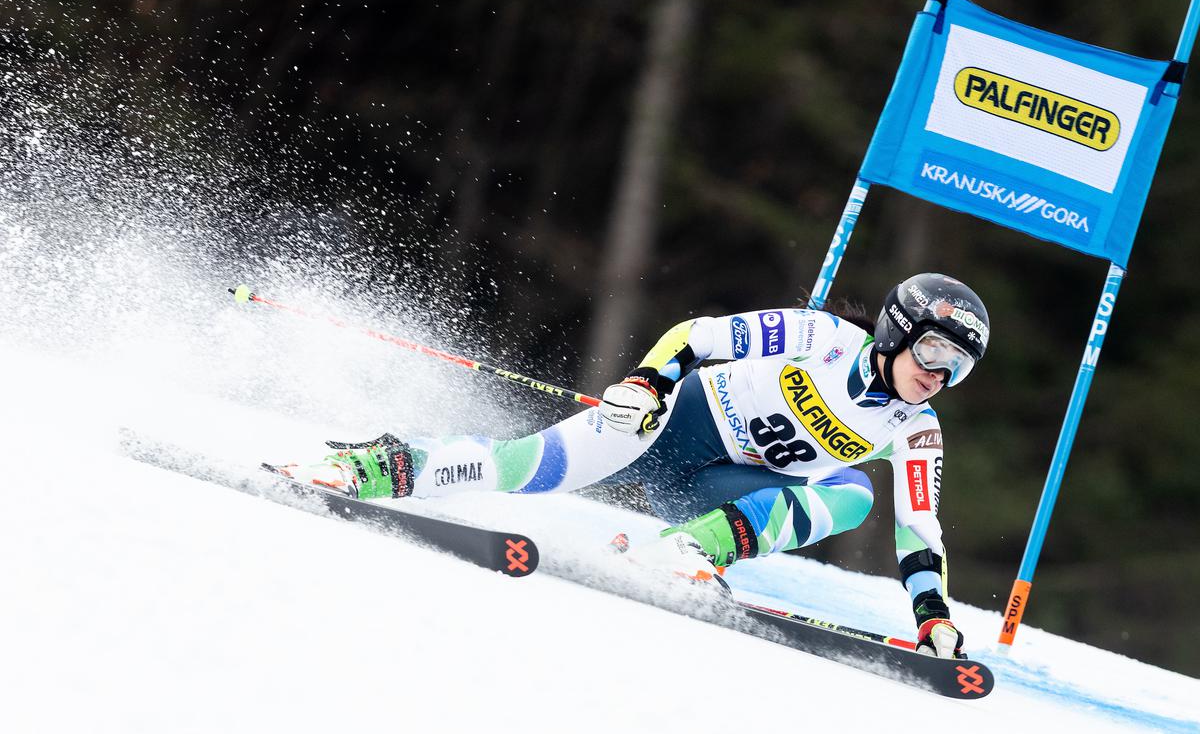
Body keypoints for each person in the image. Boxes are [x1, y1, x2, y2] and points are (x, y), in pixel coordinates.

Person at [274, 272, 989, 659]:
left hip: (714, 493)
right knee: (528, 467)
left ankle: (681, 552)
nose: (938, 377)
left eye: (957, 369)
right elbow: (700, 337)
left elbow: (918, 530)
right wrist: (648, 383)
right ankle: (379, 466)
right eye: (933, 354)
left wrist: (932, 616)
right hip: (671, 428)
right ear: (898, 332)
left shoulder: (916, 428)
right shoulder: (823, 338)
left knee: (853, 493)